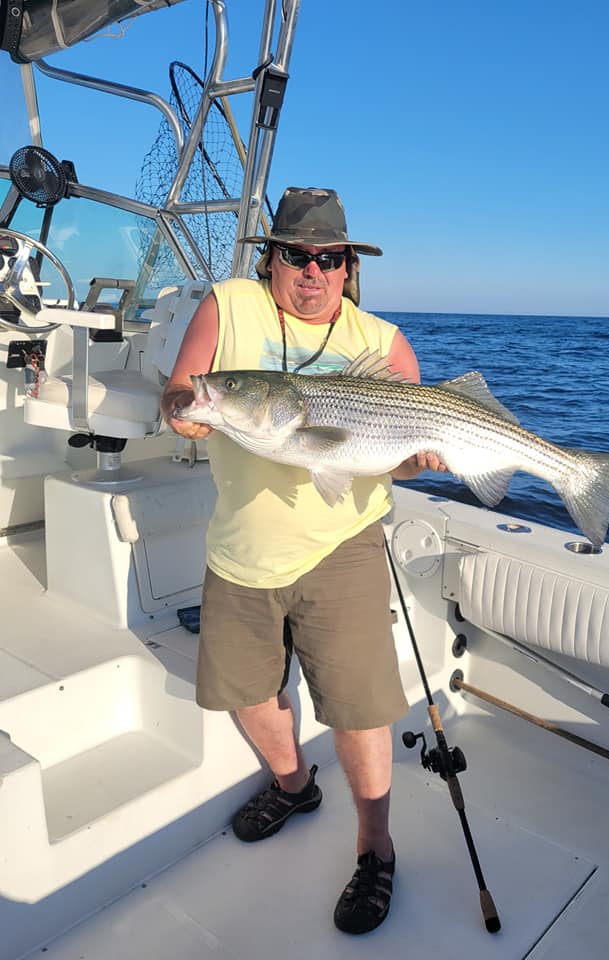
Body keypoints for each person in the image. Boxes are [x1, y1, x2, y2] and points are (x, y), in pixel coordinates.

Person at [161, 186, 445, 935]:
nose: (313, 271)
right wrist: (184, 410)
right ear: (271, 258)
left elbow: (395, 463)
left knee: (357, 709)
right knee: (246, 692)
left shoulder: (382, 343)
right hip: (240, 548)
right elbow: (185, 389)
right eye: (297, 255)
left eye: (329, 258)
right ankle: (293, 785)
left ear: (349, 265)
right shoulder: (228, 305)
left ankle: (375, 848)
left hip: (339, 548)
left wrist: (416, 461)